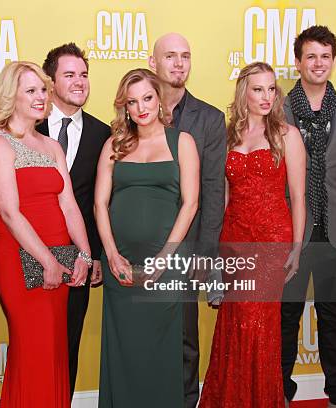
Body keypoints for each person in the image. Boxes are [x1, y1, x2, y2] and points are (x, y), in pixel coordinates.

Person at [0, 61, 92, 407]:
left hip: (59, 256)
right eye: (31, 90)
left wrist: (84, 256)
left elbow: (69, 205)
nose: (41, 97)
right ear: (10, 96)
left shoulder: (51, 146)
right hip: (21, 259)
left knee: (54, 353)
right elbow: (11, 215)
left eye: (43, 89)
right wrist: (47, 261)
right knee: (35, 352)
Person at [198, 62, 306, 408]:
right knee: (233, 323)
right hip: (234, 238)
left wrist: (297, 248)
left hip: (272, 239)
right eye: (258, 89)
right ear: (244, 92)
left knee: (256, 322)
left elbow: (299, 196)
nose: (266, 96)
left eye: (271, 89)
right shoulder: (228, 135)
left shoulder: (286, 134)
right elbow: (224, 196)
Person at [94, 68, 199, 407]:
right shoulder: (114, 144)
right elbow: (99, 203)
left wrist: (165, 258)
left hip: (165, 265)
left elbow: (191, 203)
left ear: (159, 98)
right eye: (132, 101)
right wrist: (110, 255)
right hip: (120, 265)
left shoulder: (181, 142)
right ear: (124, 106)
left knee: (161, 352)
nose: (141, 108)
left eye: (148, 98)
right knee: (125, 350)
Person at [281, 26, 336, 408]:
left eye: (325, 56)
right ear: (299, 62)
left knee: (333, 317)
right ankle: (279, 391)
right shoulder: (278, 108)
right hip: (291, 232)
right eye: (311, 56)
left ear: (333, 61)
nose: (318, 63)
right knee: (286, 317)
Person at [148, 33, 227, 408]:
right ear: (153, 63)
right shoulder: (136, 110)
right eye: (170, 56)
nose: (179, 64)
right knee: (143, 335)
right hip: (140, 242)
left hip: (187, 246)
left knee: (184, 340)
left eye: (185, 56)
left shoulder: (209, 119)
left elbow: (213, 190)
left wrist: (206, 253)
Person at [38, 43, 110, 398]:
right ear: (50, 83)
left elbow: (100, 201)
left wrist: (94, 253)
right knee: (36, 345)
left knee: (68, 343)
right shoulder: (27, 128)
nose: (79, 81)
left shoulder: (102, 134)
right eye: (69, 75)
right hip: (31, 249)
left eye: (83, 75)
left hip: (77, 255)